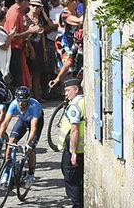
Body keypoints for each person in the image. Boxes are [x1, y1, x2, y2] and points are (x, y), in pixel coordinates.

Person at [0, 86, 42, 183]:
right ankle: (7, 168)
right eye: (19, 101)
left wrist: (28, 144)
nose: (21, 103)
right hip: (23, 120)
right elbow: (5, 122)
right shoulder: (14, 104)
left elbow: (34, 128)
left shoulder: (35, 106)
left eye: (24, 101)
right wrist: (0, 137)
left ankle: (30, 172)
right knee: (11, 141)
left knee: (30, 149)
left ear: (28, 100)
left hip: (35, 123)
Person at [5, 0, 42, 88]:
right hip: (14, 48)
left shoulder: (18, 10)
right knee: (17, 78)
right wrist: (29, 31)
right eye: (28, 2)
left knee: (21, 76)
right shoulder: (15, 13)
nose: (29, 4)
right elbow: (13, 36)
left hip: (18, 47)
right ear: (24, 2)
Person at [59, 78, 84, 208]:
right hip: (82, 149)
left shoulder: (74, 106)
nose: (65, 93)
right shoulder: (84, 101)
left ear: (76, 89)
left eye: (68, 90)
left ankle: (77, 204)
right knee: (78, 180)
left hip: (74, 149)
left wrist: (73, 152)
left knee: (71, 179)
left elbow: (74, 130)